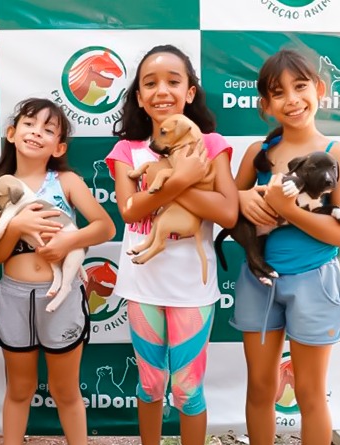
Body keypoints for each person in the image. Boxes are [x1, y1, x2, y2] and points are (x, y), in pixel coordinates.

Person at [105, 44, 239, 445]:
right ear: (139, 97)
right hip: (142, 286)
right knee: (150, 385)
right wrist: (181, 180)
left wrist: (171, 185)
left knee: (187, 389)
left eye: (173, 81)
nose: (162, 90)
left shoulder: (211, 145)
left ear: (190, 92)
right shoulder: (128, 151)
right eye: (150, 83)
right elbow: (129, 211)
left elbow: (228, 213)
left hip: (192, 290)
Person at [230, 48, 340, 445]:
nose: (292, 99)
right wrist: (240, 200)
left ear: (319, 89)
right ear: (266, 105)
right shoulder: (258, 153)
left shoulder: (337, 154)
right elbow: (226, 211)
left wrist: (287, 209)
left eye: (300, 87)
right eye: (278, 92)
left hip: (314, 281)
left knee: (309, 394)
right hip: (259, 281)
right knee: (260, 388)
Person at [0, 98, 115, 445]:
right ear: (12, 134)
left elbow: (105, 227)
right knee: (19, 389)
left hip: (62, 297)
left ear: (59, 146)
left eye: (48, 128)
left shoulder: (67, 181)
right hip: (14, 297)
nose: (36, 132)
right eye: (29, 124)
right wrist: (15, 227)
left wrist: (67, 243)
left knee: (65, 390)